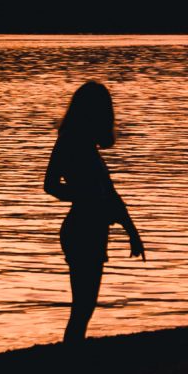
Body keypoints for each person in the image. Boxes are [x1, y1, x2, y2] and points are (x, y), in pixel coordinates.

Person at [44, 80, 144, 343]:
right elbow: (50, 185)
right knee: (83, 305)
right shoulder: (69, 142)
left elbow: (111, 194)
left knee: (86, 305)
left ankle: (73, 355)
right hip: (81, 228)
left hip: (94, 227)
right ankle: (70, 359)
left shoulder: (90, 148)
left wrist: (132, 231)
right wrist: (84, 196)